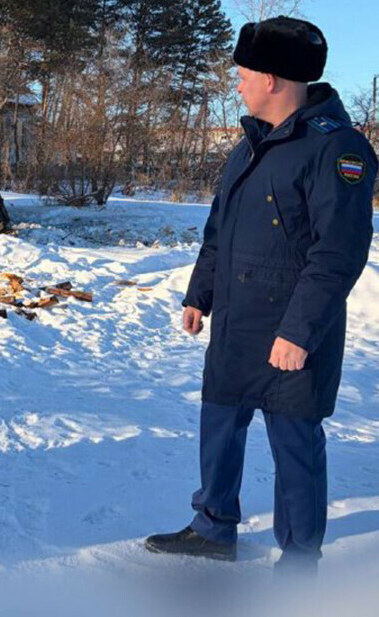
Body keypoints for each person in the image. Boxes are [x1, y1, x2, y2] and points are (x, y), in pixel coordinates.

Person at [144, 16, 377, 572]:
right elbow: (219, 228)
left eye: (244, 74)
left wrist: (299, 332)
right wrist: (199, 294)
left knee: (294, 440)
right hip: (236, 322)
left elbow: (337, 255)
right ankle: (213, 525)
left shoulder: (337, 149)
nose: (238, 84)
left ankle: (299, 558)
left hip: (292, 328)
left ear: (272, 79)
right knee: (220, 422)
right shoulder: (249, 144)